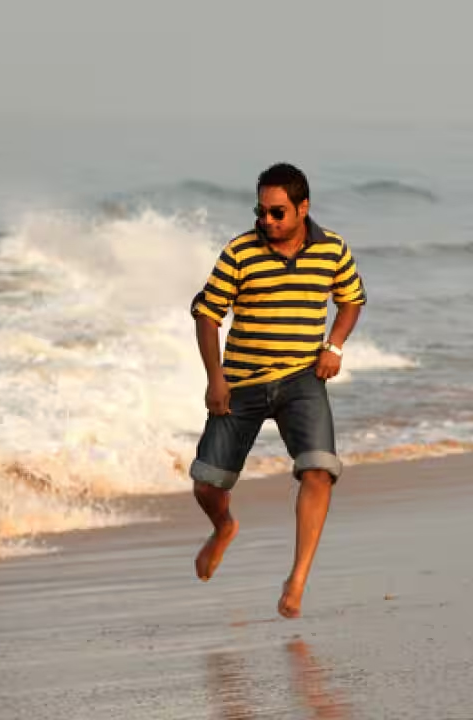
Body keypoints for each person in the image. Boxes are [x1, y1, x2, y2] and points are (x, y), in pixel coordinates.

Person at [188, 163, 366, 619]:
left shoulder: (332, 250)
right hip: (241, 383)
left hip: (301, 379)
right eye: (261, 211)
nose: (266, 221)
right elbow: (208, 315)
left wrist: (334, 345)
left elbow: (351, 299)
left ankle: (298, 579)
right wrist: (215, 378)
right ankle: (223, 527)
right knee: (207, 483)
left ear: (303, 208)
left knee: (319, 470)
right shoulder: (240, 252)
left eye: (277, 212)